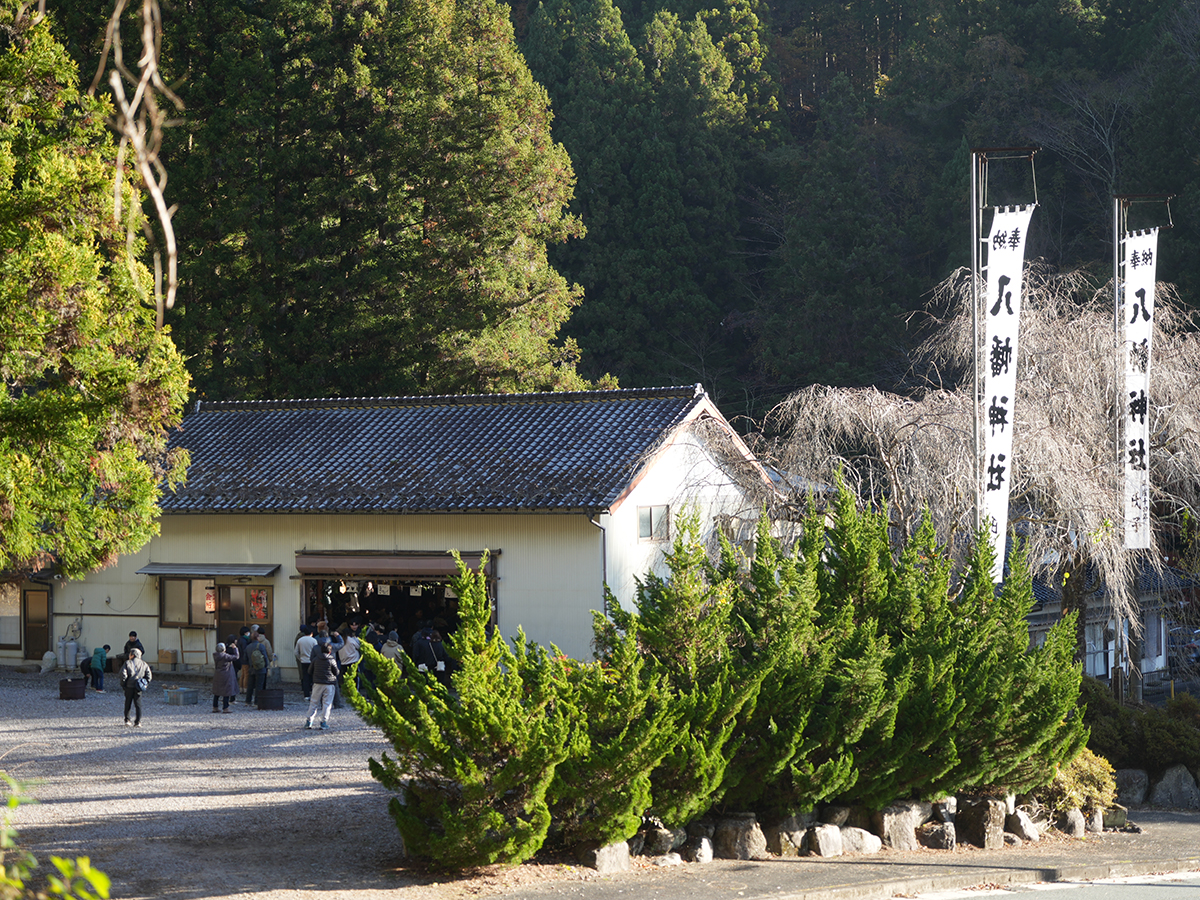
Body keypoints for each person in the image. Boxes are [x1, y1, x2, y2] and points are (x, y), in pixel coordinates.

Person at [304, 640, 339, 731]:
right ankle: (323, 722)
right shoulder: (331, 660)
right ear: (330, 651)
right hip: (329, 684)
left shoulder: (316, 659)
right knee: (327, 703)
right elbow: (336, 672)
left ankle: (309, 721)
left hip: (317, 683)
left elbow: (309, 671)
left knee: (314, 702)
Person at [119, 648, 152, 726]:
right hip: (138, 686)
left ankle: (127, 720)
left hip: (129, 686)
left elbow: (123, 675)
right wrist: (145, 684)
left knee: (128, 703)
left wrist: (123, 684)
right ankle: (138, 722)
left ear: (132, 655)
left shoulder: (127, 663)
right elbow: (149, 676)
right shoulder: (144, 664)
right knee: (138, 704)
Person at [211, 642, 239, 713]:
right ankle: (225, 707)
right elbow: (236, 657)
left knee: (217, 691)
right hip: (226, 674)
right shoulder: (225, 656)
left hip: (218, 674)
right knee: (226, 691)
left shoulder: (215, 655)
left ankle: (215, 707)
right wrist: (235, 649)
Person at [244, 632, 270, 707]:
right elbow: (265, 657)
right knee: (259, 685)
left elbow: (245, 658)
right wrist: (266, 666)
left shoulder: (248, 647)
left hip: (251, 668)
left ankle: (248, 701)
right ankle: (257, 702)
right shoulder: (261, 646)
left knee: (250, 685)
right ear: (258, 638)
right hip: (261, 668)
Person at [294, 625, 317, 700]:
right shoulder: (313, 640)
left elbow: (296, 652)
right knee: (313, 678)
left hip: (303, 661)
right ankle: (314, 694)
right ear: (311, 633)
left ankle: (306, 695)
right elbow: (316, 651)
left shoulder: (300, 640)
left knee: (305, 678)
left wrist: (300, 658)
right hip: (312, 661)